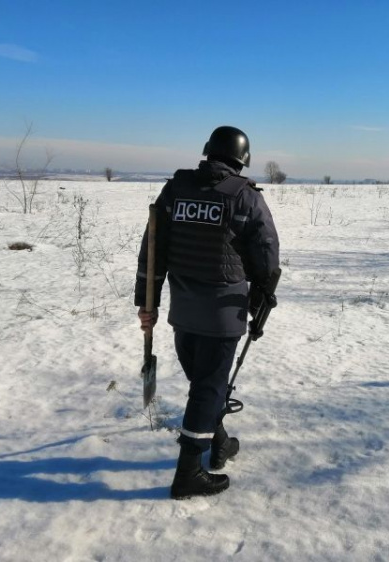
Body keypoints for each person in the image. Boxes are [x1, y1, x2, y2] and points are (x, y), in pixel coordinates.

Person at [135, 126, 280, 500]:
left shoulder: (175, 190)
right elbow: (266, 253)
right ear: (241, 159)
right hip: (222, 313)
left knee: (204, 384)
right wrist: (263, 295)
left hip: (183, 312)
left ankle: (220, 443)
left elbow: (153, 248)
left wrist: (145, 303)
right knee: (208, 387)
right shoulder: (245, 197)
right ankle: (188, 474)